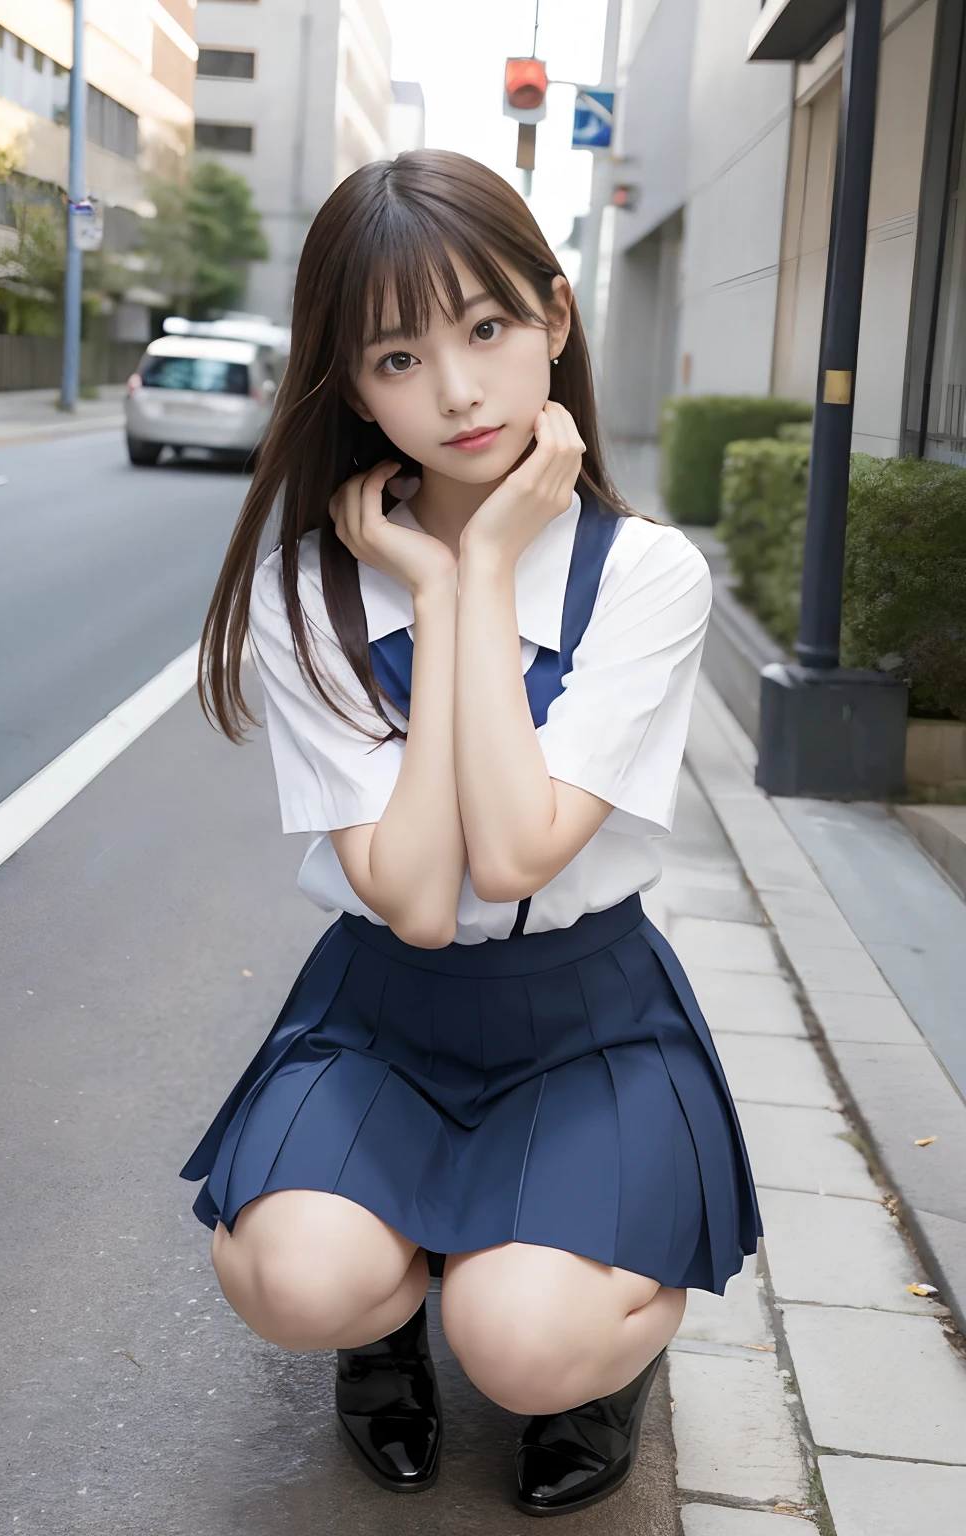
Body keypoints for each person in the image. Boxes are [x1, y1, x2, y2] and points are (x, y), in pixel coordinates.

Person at [181, 149, 760, 1518]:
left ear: (555, 318)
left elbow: (515, 857)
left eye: (489, 329)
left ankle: (592, 1357)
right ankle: (383, 1317)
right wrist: (439, 592)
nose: (456, 391)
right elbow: (421, 900)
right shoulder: (306, 590)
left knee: (524, 1342)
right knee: (294, 1278)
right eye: (396, 356)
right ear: (351, 386)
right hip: (385, 1002)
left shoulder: (646, 576)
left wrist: (483, 567)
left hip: (591, 1018)